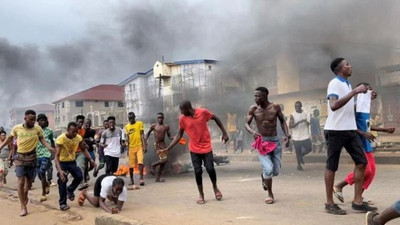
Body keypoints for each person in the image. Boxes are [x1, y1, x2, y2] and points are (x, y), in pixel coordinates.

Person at [323, 57, 375, 215]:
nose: (350, 66)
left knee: (361, 162)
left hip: (349, 129)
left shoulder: (347, 84)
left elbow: (346, 107)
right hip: (335, 130)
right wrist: (355, 92)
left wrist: (365, 97)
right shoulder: (334, 83)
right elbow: (334, 105)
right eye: (347, 65)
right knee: (332, 165)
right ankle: (329, 203)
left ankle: (358, 201)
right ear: (340, 69)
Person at [333, 83, 395, 205]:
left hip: (366, 142)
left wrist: (384, 130)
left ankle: (358, 196)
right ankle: (339, 185)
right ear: (360, 92)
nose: (371, 92)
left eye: (371, 90)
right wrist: (362, 133)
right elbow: (347, 124)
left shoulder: (365, 106)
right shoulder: (355, 106)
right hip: (357, 141)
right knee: (365, 170)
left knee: (372, 171)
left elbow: (366, 125)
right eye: (367, 90)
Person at [159, 100, 229, 204]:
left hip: (206, 147)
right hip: (194, 149)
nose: (181, 112)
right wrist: (168, 148)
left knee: (210, 168)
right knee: (198, 171)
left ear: (187, 108)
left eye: (182, 110)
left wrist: (224, 133)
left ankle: (215, 188)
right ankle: (201, 194)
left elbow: (216, 118)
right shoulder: (182, 119)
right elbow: (179, 135)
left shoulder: (203, 112)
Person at [0, 110, 55, 216]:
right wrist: (1, 147)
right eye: (31, 120)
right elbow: (10, 138)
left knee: (28, 184)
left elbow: (42, 139)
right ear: (25, 119)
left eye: (34, 120)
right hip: (20, 158)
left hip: (32, 158)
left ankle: (25, 195)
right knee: (20, 182)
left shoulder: (37, 129)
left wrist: (49, 147)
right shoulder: (16, 128)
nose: (33, 122)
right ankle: (23, 206)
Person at [245, 87, 290, 204]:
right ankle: (270, 194)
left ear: (265, 96)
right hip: (262, 142)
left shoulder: (275, 107)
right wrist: (253, 132)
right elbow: (246, 124)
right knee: (269, 169)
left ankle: (264, 175)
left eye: (258, 96)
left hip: (275, 141)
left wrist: (287, 135)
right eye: (254, 96)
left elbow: (282, 121)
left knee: (275, 171)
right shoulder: (253, 109)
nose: (255, 98)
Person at [55, 122, 96, 211]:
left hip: (72, 162)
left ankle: (70, 190)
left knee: (79, 176)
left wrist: (91, 160)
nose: (75, 134)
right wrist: (60, 171)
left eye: (76, 132)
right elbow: (56, 156)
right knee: (62, 181)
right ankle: (62, 203)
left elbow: (83, 149)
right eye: (73, 132)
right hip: (62, 163)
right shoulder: (61, 139)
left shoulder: (78, 137)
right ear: (68, 130)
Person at [145, 112, 174, 182]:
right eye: (158, 118)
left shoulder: (166, 126)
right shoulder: (154, 126)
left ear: (163, 118)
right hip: (157, 144)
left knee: (163, 162)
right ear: (157, 118)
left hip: (163, 144)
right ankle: (153, 165)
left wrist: (175, 137)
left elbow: (170, 136)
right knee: (164, 160)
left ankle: (158, 178)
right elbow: (148, 133)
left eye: (161, 117)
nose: (160, 119)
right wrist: (145, 140)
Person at [36, 114, 55, 202]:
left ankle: (43, 193)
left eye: (44, 120)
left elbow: (52, 141)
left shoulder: (49, 131)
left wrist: (54, 152)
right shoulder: (34, 131)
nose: (42, 121)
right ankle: (46, 184)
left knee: (42, 171)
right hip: (36, 155)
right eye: (41, 120)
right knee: (39, 174)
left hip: (46, 154)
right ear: (38, 122)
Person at [125, 112, 147, 189]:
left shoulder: (139, 123)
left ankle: (141, 179)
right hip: (131, 147)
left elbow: (142, 135)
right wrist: (127, 149)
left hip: (139, 146)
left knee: (140, 162)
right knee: (131, 165)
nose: (131, 119)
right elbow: (127, 138)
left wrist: (144, 145)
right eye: (129, 118)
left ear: (134, 117)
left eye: (132, 118)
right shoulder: (127, 126)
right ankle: (131, 180)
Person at [289, 101, 312, 171]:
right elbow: (290, 126)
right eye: (296, 106)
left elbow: (308, 124)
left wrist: (306, 122)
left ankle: (301, 156)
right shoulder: (292, 115)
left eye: (298, 106)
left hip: (305, 136)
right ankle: (299, 165)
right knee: (298, 152)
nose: (297, 108)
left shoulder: (305, 114)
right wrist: (299, 122)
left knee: (309, 149)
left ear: (301, 106)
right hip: (296, 137)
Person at [75, 115, 89, 190]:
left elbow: (82, 139)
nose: (81, 124)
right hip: (71, 152)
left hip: (80, 151)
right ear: (76, 122)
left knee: (81, 166)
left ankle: (82, 183)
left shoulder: (83, 131)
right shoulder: (73, 129)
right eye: (79, 122)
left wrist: (85, 144)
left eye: (82, 122)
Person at [83, 118, 96, 183]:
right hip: (84, 151)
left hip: (90, 150)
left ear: (90, 124)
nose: (87, 124)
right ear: (84, 123)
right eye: (86, 123)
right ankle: (84, 179)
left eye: (88, 123)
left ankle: (87, 172)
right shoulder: (82, 131)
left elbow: (92, 140)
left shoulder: (92, 131)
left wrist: (94, 142)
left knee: (92, 165)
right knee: (85, 165)